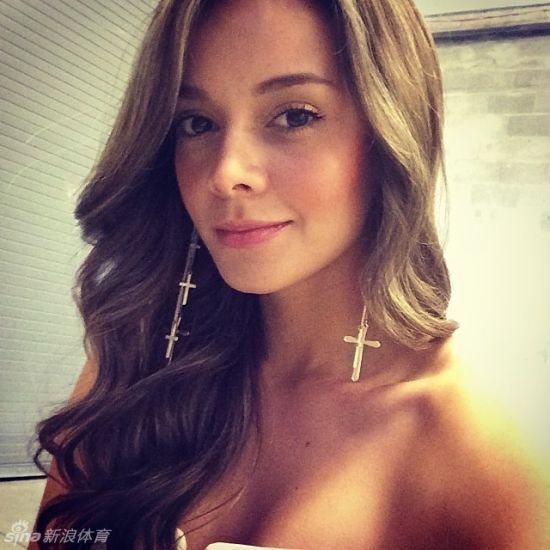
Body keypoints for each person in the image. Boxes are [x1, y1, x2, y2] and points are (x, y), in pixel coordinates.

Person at [32, 0, 548, 549]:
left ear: (390, 133)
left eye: (295, 115)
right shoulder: (133, 367)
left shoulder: (478, 446)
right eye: (197, 123)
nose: (226, 173)